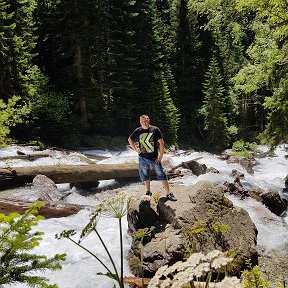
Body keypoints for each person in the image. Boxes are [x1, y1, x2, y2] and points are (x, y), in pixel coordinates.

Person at [128, 115, 177, 201]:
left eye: (146, 121)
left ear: (149, 120)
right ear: (140, 122)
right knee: (145, 175)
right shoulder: (138, 130)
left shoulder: (155, 129)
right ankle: (148, 192)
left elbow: (161, 143)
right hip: (142, 158)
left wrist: (161, 156)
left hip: (154, 158)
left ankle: (169, 193)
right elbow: (130, 139)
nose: (144, 123)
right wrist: (135, 149)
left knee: (161, 174)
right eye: (142, 121)